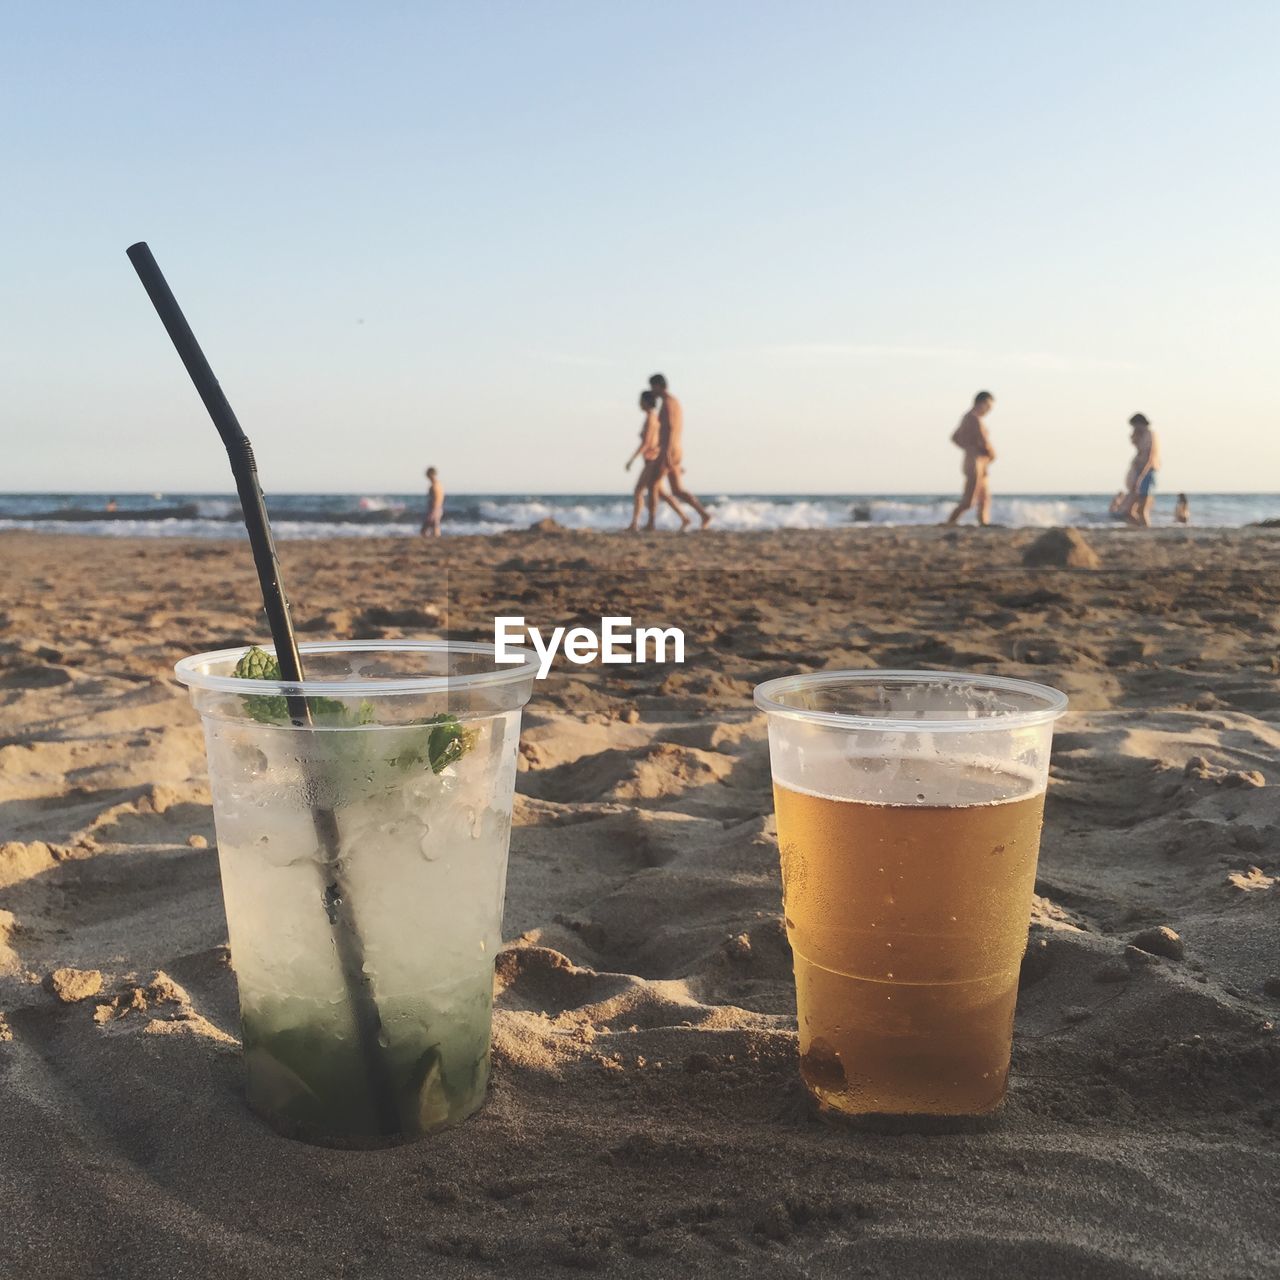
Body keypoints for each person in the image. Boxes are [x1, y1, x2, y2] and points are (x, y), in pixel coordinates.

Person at [649, 373, 712, 529]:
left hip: (669, 449)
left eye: (653, 387)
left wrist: (667, 453)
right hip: (676, 449)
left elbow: (669, 428)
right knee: (677, 490)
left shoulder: (668, 403)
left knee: (653, 485)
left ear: (658, 386)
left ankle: (651, 523)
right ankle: (703, 514)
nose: (652, 391)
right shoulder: (674, 402)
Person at [626, 390, 688, 531]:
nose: (639, 404)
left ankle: (636, 523)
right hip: (654, 459)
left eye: (641, 401)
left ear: (646, 402)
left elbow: (646, 443)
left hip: (651, 460)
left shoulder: (651, 419)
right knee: (661, 493)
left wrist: (632, 459)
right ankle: (684, 518)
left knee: (638, 490)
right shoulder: (654, 417)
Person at [945, 391, 996, 526]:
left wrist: (968, 447)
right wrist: (990, 453)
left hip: (976, 460)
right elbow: (984, 441)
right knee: (970, 500)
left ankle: (983, 522)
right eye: (988, 407)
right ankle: (950, 522)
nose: (989, 411)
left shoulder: (967, 418)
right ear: (981, 403)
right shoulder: (973, 419)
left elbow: (955, 437)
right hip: (975, 462)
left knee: (984, 498)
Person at [1121, 414, 1161, 527]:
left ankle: (1145, 529)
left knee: (1141, 510)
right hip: (1140, 471)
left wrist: (1140, 477)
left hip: (1146, 472)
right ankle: (1142, 528)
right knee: (1132, 510)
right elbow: (1136, 445)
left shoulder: (1150, 435)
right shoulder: (1143, 435)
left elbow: (1149, 456)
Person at [421, 466, 444, 537]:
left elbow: (435, 499)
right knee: (435, 528)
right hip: (438, 508)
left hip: (434, 509)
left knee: (425, 530)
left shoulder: (434, 486)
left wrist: (432, 510)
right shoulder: (439, 485)